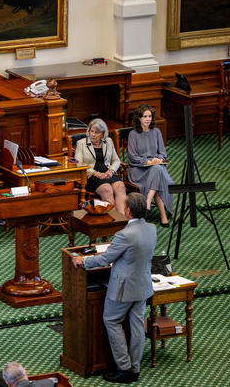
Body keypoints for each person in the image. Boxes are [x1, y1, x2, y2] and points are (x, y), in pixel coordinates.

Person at [71, 193, 156, 384]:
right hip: (142, 285)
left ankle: (124, 368)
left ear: (128, 211)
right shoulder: (152, 229)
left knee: (111, 320)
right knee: (137, 326)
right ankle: (135, 368)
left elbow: (104, 259)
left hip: (123, 288)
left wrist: (82, 260)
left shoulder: (124, 235)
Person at [127, 103, 174, 227]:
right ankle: (163, 216)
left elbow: (162, 153)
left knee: (157, 169)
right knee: (158, 172)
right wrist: (147, 162)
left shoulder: (157, 132)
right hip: (138, 170)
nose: (148, 119)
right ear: (138, 118)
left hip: (155, 168)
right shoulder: (133, 134)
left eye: (150, 116)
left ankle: (148, 201)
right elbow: (132, 157)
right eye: (145, 116)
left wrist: (157, 160)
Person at [74, 118, 127, 214]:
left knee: (120, 186)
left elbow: (116, 160)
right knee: (107, 189)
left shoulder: (108, 141)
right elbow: (79, 164)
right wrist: (96, 173)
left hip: (107, 173)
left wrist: (111, 171)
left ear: (103, 133)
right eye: (92, 131)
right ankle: (114, 220)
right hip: (91, 175)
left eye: (97, 132)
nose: (93, 134)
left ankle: (124, 219)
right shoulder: (81, 143)